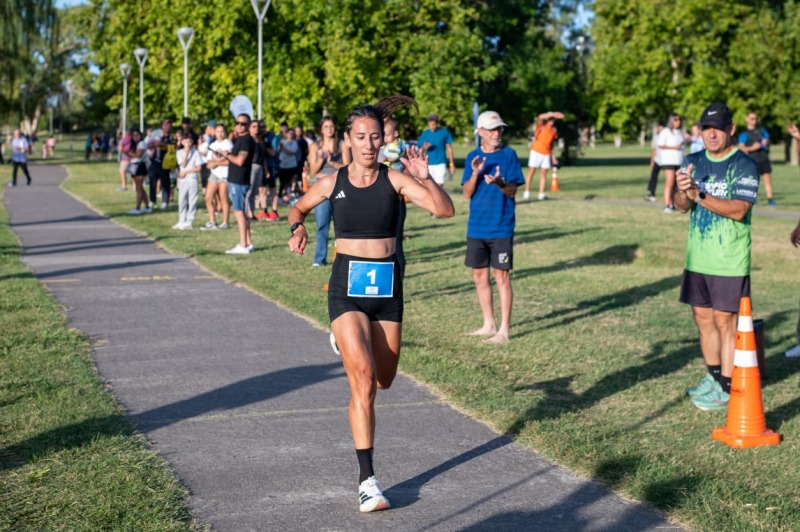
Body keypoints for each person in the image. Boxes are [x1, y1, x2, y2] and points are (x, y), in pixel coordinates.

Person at [287, 96, 454, 513]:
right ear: (348, 139)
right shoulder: (332, 182)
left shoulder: (396, 180)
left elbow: (445, 210)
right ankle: (368, 481)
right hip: (346, 289)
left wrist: (426, 178)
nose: (368, 144)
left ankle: (349, 341)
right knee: (362, 380)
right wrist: (297, 229)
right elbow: (297, 207)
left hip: (387, 292)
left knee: (384, 379)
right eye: (360, 136)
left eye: (375, 136)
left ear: (383, 139)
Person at [674, 102, 759, 411]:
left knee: (725, 321)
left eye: (718, 129)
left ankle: (726, 386)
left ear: (730, 129)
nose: (711, 134)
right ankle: (713, 377)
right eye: (706, 129)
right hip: (698, 257)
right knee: (702, 318)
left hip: (728, 259)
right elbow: (681, 206)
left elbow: (739, 210)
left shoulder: (744, 164)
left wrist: (699, 194)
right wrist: (684, 192)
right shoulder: (692, 160)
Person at [461, 111, 524, 344]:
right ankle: (489, 324)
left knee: (501, 276)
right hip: (477, 227)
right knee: (479, 276)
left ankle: (504, 331)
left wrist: (499, 182)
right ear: (480, 132)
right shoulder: (473, 156)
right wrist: (476, 173)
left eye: (499, 129)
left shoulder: (509, 155)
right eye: (491, 130)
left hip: (501, 227)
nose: (497, 133)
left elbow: (512, 191)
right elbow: (467, 193)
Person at [307, 116, 346, 267]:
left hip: (339, 185)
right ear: (321, 129)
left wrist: (332, 162)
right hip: (322, 188)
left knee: (342, 226)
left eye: (331, 126)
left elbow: (348, 167)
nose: (329, 129)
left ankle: (343, 258)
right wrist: (322, 158)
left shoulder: (342, 144)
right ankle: (319, 259)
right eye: (326, 127)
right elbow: (313, 170)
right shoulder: (315, 146)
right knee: (322, 224)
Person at [222, 114, 255, 254]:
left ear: (248, 125)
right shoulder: (241, 139)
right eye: (237, 123)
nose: (239, 125)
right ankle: (248, 243)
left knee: (239, 212)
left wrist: (227, 155)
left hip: (239, 181)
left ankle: (243, 245)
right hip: (237, 180)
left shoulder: (246, 140)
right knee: (241, 212)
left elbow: (240, 161)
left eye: (243, 123)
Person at [524, 111, 564, 201]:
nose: (552, 121)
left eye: (553, 120)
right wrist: (553, 114)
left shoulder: (554, 130)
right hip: (536, 151)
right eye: (550, 119)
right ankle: (526, 192)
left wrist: (553, 157)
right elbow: (540, 116)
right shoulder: (541, 126)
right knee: (531, 172)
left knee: (544, 174)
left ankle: (541, 193)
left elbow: (551, 145)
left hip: (546, 154)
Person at [738, 112, 775, 206]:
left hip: (763, 157)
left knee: (767, 179)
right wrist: (752, 148)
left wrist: (765, 142)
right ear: (747, 119)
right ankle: (753, 198)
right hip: (752, 160)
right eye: (752, 118)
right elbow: (741, 147)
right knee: (752, 180)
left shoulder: (762, 130)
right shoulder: (744, 133)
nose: (754, 120)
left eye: (755, 118)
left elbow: (767, 139)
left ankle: (770, 199)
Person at [201, 123, 232, 231]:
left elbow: (230, 161)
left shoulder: (228, 144)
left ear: (225, 132)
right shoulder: (213, 145)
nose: (220, 133)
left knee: (223, 198)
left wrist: (216, 162)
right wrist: (218, 161)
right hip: (214, 174)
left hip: (225, 175)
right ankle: (212, 221)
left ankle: (225, 222)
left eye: (222, 131)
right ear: (214, 132)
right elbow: (209, 162)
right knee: (208, 197)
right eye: (218, 131)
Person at [656, 113, 685, 213]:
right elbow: (660, 144)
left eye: (679, 119)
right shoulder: (666, 131)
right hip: (668, 161)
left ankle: (673, 203)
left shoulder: (679, 132)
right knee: (670, 182)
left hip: (679, 160)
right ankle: (667, 204)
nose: (678, 122)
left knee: (677, 184)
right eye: (676, 120)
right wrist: (673, 148)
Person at [173, 132, 202, 230]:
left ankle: (189, 221)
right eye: (185, 142)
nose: (187, 144)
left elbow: (198, 168)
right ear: (182, 142)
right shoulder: (179, 152)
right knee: (182, 200)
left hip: (192, 179)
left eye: (189, 142)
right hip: (183, 180)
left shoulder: (196, 152)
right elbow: (183, 164)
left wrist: (186, 171)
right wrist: (186, 154)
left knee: (192, 201)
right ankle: (181, 220)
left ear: (192, 142)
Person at [418, 113, 455, 186]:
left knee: (439, 186)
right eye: (430, 125)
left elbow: (449, 148)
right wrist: (424, 148)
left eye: (433, 124)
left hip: (441, 163)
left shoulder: (444, 132)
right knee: (428, 186)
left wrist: (451, 164)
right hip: (428, 164)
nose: (432, 126)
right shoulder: (425, 134)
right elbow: (420, 151)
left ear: (437, 123)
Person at [148, 118, 175, 210]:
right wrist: (156, 144)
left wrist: (163, 145)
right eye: (166, 125)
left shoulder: (172, 137)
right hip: (155, 160)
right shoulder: (156, 134)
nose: (168, 127)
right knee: (152, 181)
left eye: (169, 125)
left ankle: (165, 201)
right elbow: (149, 145)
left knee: (165, 182)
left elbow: (173, 146)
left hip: (166, 163)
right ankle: (152, 201)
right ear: (162, 126)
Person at [126, 129, 151, 214]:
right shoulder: (135, 144)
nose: (135, 137)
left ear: (140, 135)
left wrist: (130, 154)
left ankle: (138, 208)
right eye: (134, 135)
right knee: (139, 187)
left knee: (139, 188)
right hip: (135, 166)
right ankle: (147, 207)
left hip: (140, 166)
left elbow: (139, 155)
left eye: (137, 135)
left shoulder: (141, 143)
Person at [246, 121, 266, 221]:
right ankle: (248, 213)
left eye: (257, 126)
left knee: (254, 191)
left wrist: (266, 170)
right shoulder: (248, 140)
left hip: (259, 167)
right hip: (251, 166)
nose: (256, 128)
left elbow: (263, 157)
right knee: (249, 191)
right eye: (253, 126)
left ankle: (252, 212)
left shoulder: (260, 140)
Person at [645, 124, 664, 202]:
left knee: (670, 179)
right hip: (657, 160)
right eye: (659, 128)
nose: (660, 129)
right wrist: (652, 160)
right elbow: (654, 150)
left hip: (666, 161)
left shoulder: (668, 137)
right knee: (653, 177)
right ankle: (651, 193)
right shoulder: (656, 137)